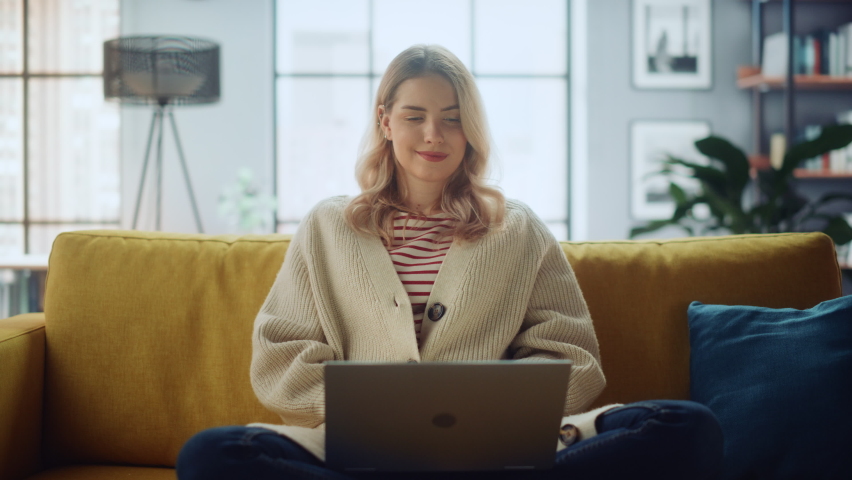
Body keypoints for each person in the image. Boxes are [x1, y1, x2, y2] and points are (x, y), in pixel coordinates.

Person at [176, 45, 723, 480]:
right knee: (211, 454)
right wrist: (376, 419)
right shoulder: (328, 227)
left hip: (498, 450)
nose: (434, 135)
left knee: (684, 427)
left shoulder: (519, 229)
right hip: (353, 450)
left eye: (452, 119)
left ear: (471, 131)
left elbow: (571, 355)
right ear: (386, 121)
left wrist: (491, 419)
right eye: (415, 116)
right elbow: (282, 352)